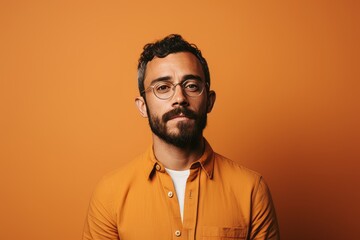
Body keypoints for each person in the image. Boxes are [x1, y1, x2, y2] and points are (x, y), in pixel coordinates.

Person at [82, 34, 280, 240]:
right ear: (143, 106)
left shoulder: (251, 190)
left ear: (209, 101)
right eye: (162, 88)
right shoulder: (110, 194)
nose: (179, 98)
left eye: (191, 85)